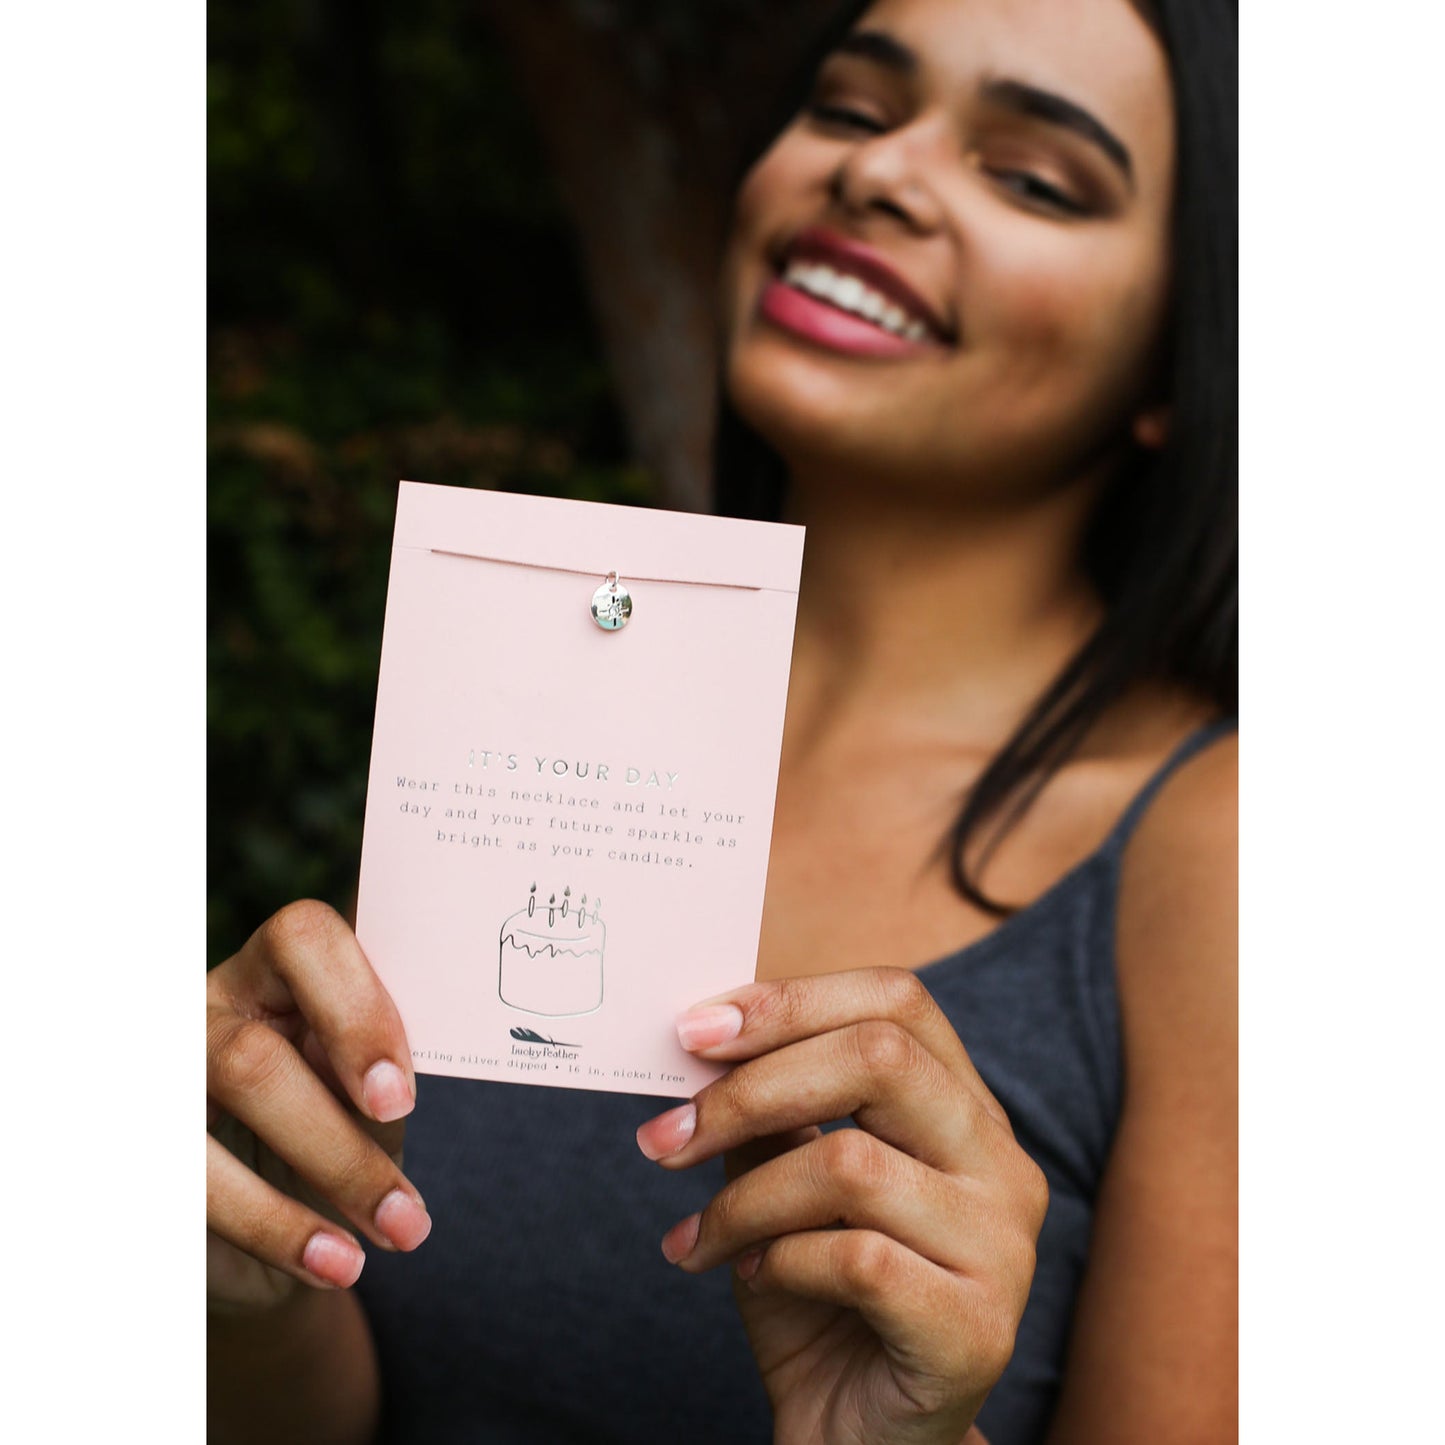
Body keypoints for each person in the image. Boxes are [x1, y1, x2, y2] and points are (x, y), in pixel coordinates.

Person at [207, 0, 1237, 1440]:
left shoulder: (1222, 846)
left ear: (1178, 364)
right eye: (849, 106)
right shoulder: (519, 677)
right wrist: (238, 1279)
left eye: (1032, 178)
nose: (877, 173)